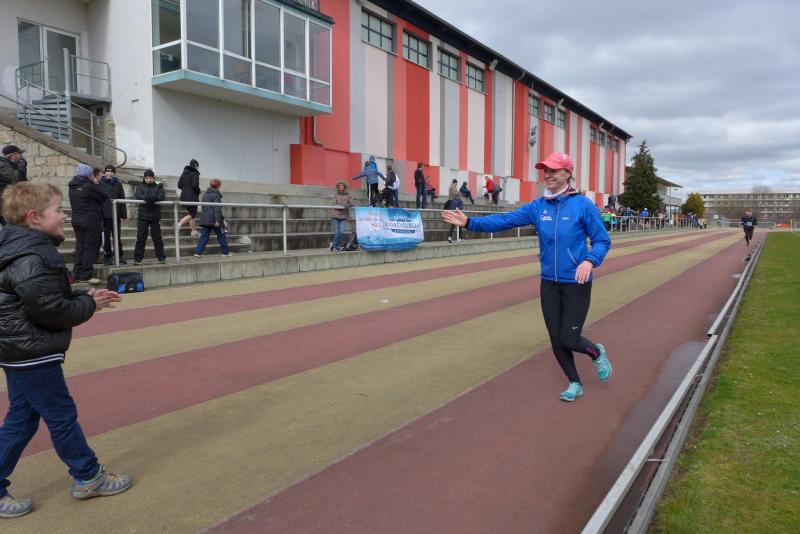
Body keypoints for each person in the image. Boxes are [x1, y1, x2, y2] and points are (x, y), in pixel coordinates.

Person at [0, 182, 132, 519]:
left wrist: (85, 298)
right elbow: (50, 310)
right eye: (58, 210)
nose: (64, 217)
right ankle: (89, 476)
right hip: (31, 350)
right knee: (60, 415)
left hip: (19, 348)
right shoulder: (32, 255)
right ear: (34, 217)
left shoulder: (20, 248)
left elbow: (44, 297)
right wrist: (89, 304)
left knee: (22, 418)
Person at [442, 152, 612, 402]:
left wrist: (589, 261)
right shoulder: (537, 207)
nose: (548, 175)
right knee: (556, 339)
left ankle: (596, 352)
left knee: (569, 338)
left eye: (553, 170)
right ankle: (574, 382)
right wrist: (469, 223)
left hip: (576, 282)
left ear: (567, 173)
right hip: (549, 283)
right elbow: (505, 220)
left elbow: (602, 240)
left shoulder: (583, 205)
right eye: (545, 170)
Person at [68, 164, 106, 284]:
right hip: (90, 221)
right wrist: (96, 183)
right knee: (90, 248)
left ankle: (76, 274)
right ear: (89, 175)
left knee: (80, 247)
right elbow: (103, 196)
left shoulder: (72, 186)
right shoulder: (89, 187)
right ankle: (86, 275)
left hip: (77, 220)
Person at [133, 169, 166, 265]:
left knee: (157, 237)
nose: (148, 180)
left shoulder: (159, 185)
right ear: (144, 178)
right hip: (143, 216)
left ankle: (161, 257)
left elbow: (161, 196)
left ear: (153, 178)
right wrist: (150, 198)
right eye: (146, 178)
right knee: (141, 237)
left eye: (150, 178)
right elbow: (138, 195)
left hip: (155, 216)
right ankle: (138, 258)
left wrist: (150, 198)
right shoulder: (140, 186)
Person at [193, 179, 230, 258]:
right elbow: (217, 208)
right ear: (218, 186)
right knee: (221, 236)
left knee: (204, 236)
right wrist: (217, 220)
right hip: (214, 219)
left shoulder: (205, 194)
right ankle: (225, 252)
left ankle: (197, 252)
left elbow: (203, 207)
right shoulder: (217, 195)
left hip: (205, 218)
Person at [98, 165, 127, 265]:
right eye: (108, 171)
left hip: (116, 215)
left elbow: (122, 199)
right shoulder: (100, 183)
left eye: (111, 172)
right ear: (105, 172)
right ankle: (108, 257)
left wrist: (123, 215)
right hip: (105, 215)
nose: (109, 173)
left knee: (117, 237)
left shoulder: (118, 184)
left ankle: (119, 256)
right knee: (106, 237)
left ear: (114, 173)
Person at [0, 145, 28, 226]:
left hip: (7, 203)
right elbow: (16, 178)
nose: (21, 157)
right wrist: (22, 165)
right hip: (3, 205)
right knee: (10, 227)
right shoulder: (2, 165)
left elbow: (23, 181)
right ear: (13, 155)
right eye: (20, 154)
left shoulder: (10, 165)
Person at [177, 159, 202, 237]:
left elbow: (179, 185)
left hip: (184, 197)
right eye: (197, 166)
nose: (197, 168)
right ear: (195, 165)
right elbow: (195, 185)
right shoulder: (195, 173)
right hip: (192, 198)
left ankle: (193, 231)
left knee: (191, 214)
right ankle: (179, 224)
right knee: (192, 214)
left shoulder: (184, 173)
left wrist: (186, 189)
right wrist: (198, 191)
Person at [330, 180, 352, 252]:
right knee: (337, 232)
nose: (341, 187)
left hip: (344, 216)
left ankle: (333, 245)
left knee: (341, 232)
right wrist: (341, 206)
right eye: (340, 186)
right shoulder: (335, 195)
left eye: (342, 186)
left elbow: (351, 203)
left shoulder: (348, 195)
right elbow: (333, 204)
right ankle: (338, 247)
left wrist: (348, 205)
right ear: (338, 187)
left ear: (344, 187)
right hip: (335, 215)